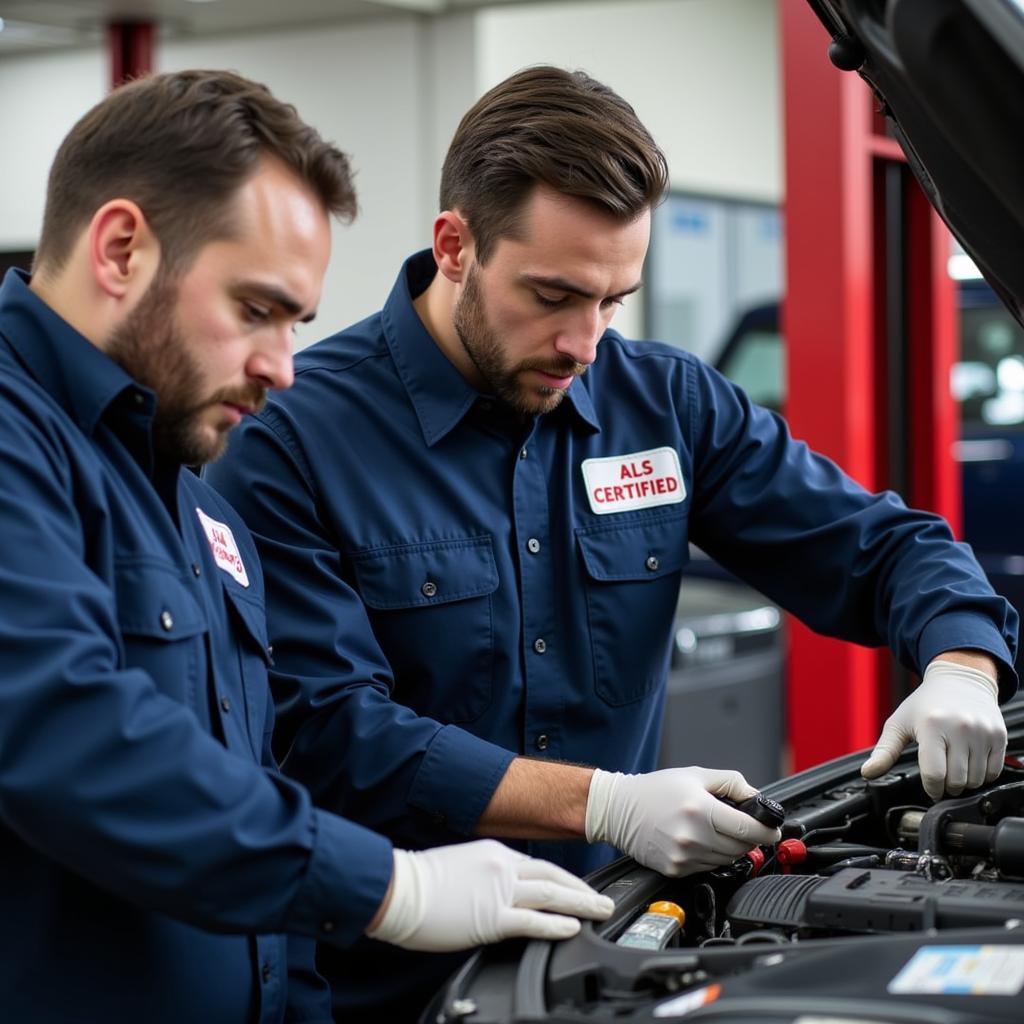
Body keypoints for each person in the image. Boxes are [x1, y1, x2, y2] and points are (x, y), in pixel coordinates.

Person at [205, 66, 1018, 1021]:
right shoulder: (290, 436)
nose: (584, 340)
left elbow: (881, 545)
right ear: (455, 245)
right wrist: (604, 803)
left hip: (615, 953)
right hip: (386, 976)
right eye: (552, 295)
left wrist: (960, 663)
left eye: (612, 301)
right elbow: (329, 727)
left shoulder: (665, 403)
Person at [0, 69, 616, 1024]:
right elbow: (62, 729)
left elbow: (257, 782)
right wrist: (387, 888)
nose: (282, 368)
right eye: (256, 310)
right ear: (121, 248)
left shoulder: (195, 501)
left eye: (299, 324)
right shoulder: (15, 446)